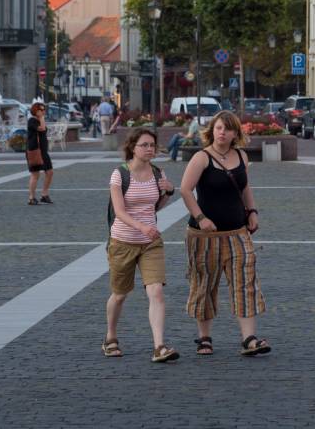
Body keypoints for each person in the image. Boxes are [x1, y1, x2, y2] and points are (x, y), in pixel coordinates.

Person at [179, 110, 269, 359]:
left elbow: (244, 187)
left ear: (235, 133)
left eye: (228, 129)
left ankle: (249, 339)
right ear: (212, 130)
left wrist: (252, 211)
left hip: (237, 231)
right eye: (218, 127)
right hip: (204, 236)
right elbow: (185, 190)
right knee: (204, 285)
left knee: (245, 281)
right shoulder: (201, 157)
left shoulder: (240, 155)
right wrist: (201, 218)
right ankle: (204, 337)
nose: (222, 132)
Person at [104, 128, 179, 363]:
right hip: (123, 241)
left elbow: (154, 206)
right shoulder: (119, 175)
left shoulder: (158, 172)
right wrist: (141, 226)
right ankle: (110, 337)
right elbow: (119, 212)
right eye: (144, 145)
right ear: (133, 147)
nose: (149, 149)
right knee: (119, 294)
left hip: (150, 243)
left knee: (156, 291)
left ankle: (159, 346)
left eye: (152, 145)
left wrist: (168, 192)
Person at [26, 102, 54, 205]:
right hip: (34, 151)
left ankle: (44, 194)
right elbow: (42, 129)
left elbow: (43, 130)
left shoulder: (40, 120)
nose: (43, 112)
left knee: (50, 172)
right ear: (35, 111)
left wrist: (41, 118)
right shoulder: (32, 121)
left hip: (43, 151)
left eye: (44, 110)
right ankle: (31, 197)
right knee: (35, 174)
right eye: (41, 110)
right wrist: (42, 118)